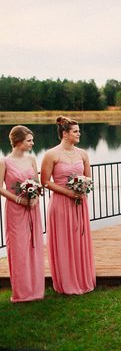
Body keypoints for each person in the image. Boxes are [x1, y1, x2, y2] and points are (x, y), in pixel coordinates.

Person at [41, 116, 96, 295]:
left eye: (79, 131)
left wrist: (82, 189)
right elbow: (45, 182)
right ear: (65, 134)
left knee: (79, 240)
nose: (79, 134)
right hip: (61, 203)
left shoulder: (83, 154)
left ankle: (82, 278)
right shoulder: (51, 154)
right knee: (64, 241)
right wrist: (68, 193)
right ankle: (66, 281)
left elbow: (89, 179)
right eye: (75, 131)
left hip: (80, 203)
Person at [0, 126, 45, 302]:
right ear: (18, 142)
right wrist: (19, 200)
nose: (32, 143)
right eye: (29, 140)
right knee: (19, 248)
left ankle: (36, 289)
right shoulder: (4, 162)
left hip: (33, 208)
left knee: (34, 246)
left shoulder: (32, 159)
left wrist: (35, 197)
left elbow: (36, 182)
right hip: (15, 209)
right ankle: (21, 292)